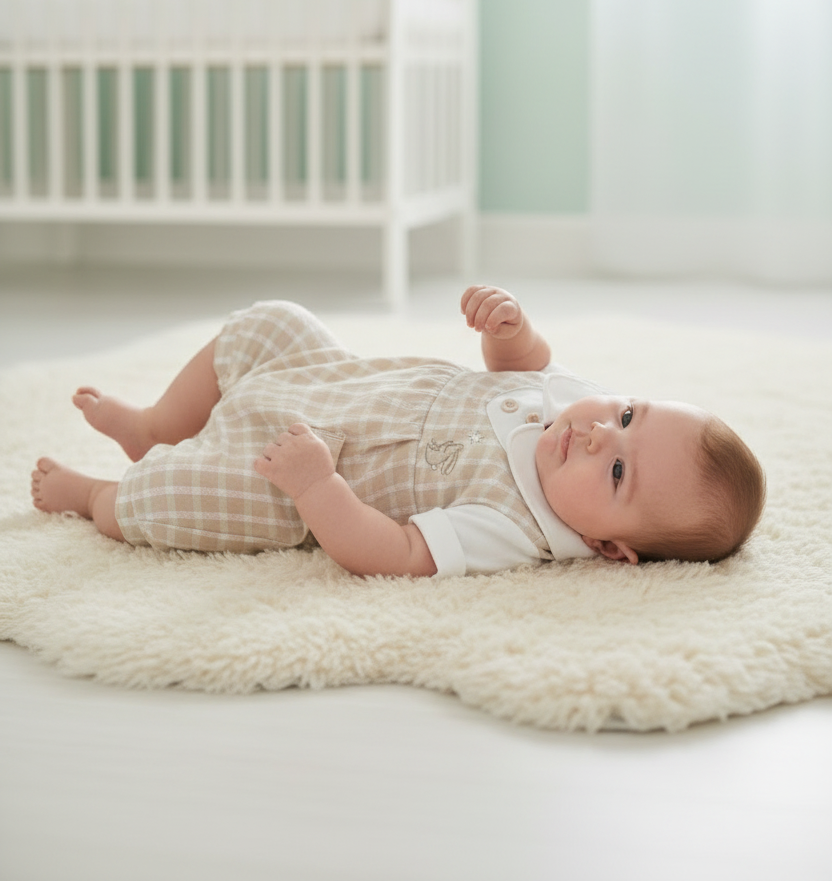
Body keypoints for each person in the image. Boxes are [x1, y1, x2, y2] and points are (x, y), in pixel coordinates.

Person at [30, 286, 766, 577]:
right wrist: (512, 330)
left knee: (164, 502)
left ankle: (92, 492)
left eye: (616, 474)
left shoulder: (517, 529)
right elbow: (524, 366)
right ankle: (155, 423)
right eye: (628, 414)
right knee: (269, 325)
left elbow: (396, 552)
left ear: (609, 547)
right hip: (333, 379)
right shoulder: (576, 403)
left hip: (293, 478)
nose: (602, 433)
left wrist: (316, 486)